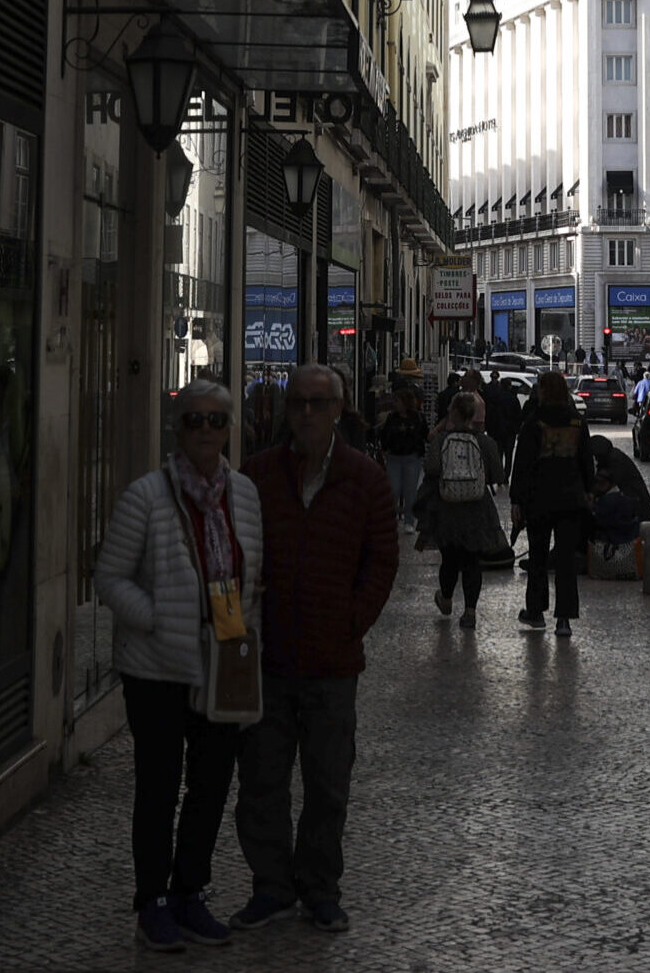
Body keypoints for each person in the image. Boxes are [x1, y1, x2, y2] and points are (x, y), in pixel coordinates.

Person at [93, 380, 263, 951]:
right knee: (159, 786)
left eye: (217, 420)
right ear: (178, 427)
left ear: (229, 429)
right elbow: (110, 577)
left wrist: (244, 626)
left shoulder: (244, 495)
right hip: (156, 668)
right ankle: (153, 902)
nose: (207, 430)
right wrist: (159, 619)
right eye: (195, 419)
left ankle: (190, 892)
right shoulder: (144, 496)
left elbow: (250, 572)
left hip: (221, 663)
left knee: (211, 785)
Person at [231, 366, 398, 936]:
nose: (306, 412)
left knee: (328, 784)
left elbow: (382, 559)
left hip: (332, 661)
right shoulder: (257, 476)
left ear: (337, 410)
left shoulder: (364, 478)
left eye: (318, 403)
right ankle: (272, 886)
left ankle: (320, 887)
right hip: (269, 657)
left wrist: (353, 620)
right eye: (298, 402)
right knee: (261, 781)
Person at [506, 371, 598, 637]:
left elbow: (522, 464)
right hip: (571, 499)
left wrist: (517, 499)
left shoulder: (534, 422)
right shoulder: (577, 422)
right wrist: (589, 491)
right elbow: (586, 460)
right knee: (566, 560)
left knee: (538, 557)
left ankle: (536, 612)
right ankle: (564, 619)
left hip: (540, 499)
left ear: (544, 391)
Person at [422, 391, 509, 628]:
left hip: (447, 508)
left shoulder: (441, 440)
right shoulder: (485, 443)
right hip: (477, 509)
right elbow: (498, 475)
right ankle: (470, 611)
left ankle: (446, 598)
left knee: (449, 558)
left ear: (452, 414)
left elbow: (431, 468)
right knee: (472, 561)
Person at [375, 385, 430, 529]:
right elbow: (385, 434)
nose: (395, 404)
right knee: (393, 489)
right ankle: (392, 516)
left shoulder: (417, 418)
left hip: (412, 457)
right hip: (394, 457)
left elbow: (424, 434)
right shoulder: (392, 418)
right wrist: (386, 448)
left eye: (397, 401)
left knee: (410, 490)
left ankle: (409, 520)